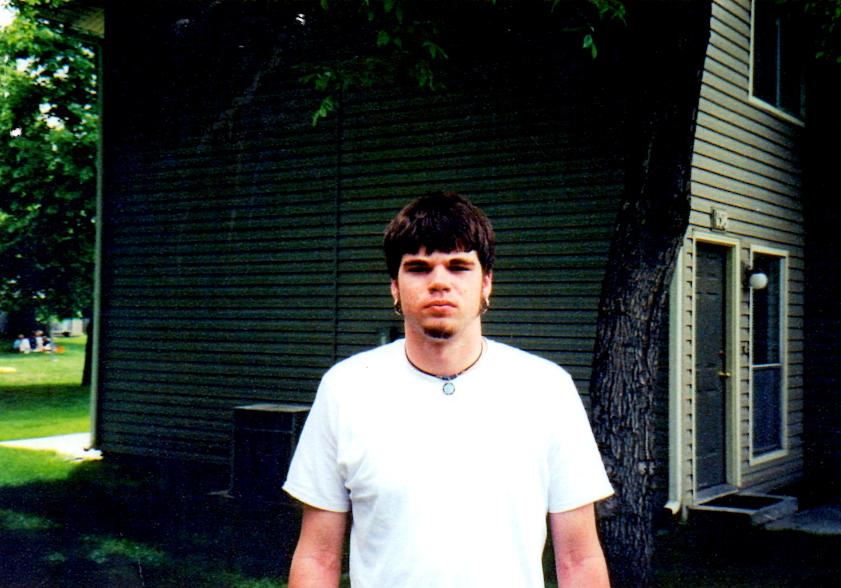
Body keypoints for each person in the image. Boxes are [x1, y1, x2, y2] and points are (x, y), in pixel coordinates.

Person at [283, 192, 614, 587]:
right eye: (418, 268)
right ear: (394, 287)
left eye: (459, 267)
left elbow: (579, 559)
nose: (439, 282)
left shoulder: (547, 390)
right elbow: (317, 558)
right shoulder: (346, 390)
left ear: (486, 284)